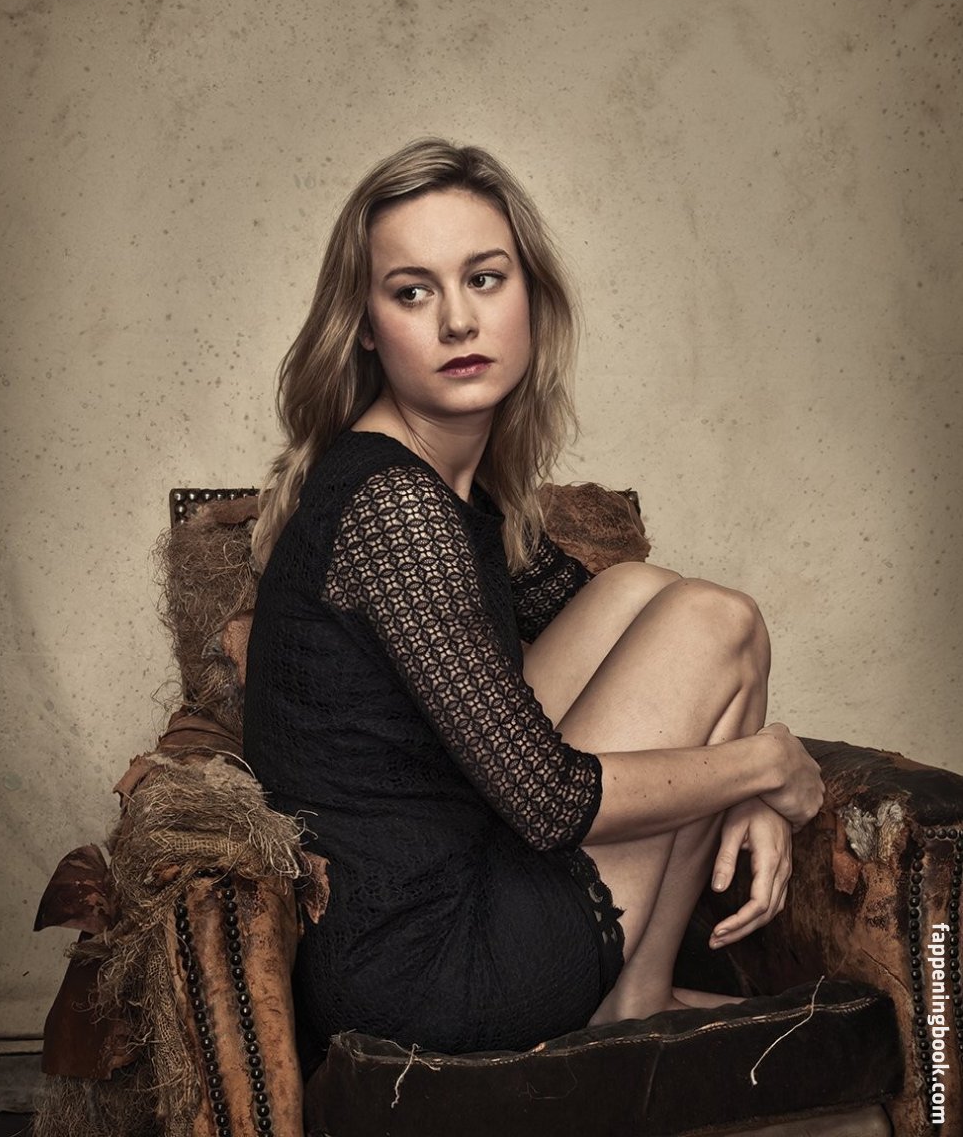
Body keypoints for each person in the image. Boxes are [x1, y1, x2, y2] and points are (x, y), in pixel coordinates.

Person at [242, 139, 823, 1064]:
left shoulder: (457, 493)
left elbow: (642, 648)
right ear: (364, 326)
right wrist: (764, 766)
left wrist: (744, 762)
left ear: (530, 299)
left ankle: (633, 997)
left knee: (648, 593)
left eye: (484, 279)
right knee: (719, 620)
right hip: (424, 968)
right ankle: (631, 1001)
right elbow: (550, 802)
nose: (457, 321)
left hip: (448, 885)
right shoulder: (394, 508)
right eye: (412, 292)